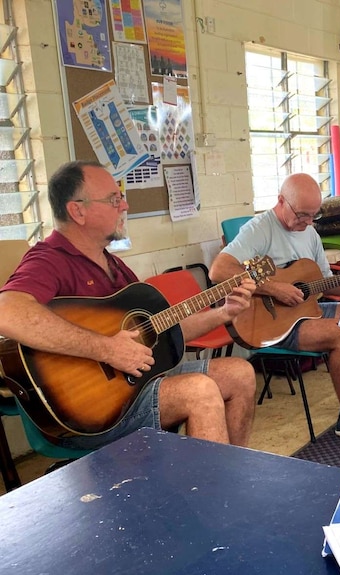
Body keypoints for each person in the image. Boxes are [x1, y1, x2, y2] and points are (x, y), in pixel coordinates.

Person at [0, 160, 257, 450]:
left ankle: (231, 476)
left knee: (240, 373)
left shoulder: (114, 265)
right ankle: (209, 495)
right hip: (93, 410)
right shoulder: (49, 260)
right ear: (78, 211)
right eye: (114, 199)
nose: (125, 206)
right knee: (199, 391)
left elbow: (163, 331)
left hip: (138, 386)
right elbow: (7, 311)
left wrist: (224, 312)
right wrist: (107, 349)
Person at [210, 173, 340, 445]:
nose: (308, 222)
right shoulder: (259, 228)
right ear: (281, 202)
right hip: (269, 322)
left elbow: (324, 283)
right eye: (302, 215)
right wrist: (274, 289)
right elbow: (219, 270)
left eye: (314, 216)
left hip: (304, 311)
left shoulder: (309, 231)